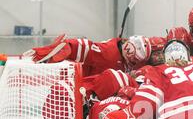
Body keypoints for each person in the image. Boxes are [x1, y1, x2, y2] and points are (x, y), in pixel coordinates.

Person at [24, 34, 152, 76]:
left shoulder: (117, 50)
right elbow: (83, 47)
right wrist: (67, 46)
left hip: (86, 90)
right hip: (83, 91)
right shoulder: (108, 53)